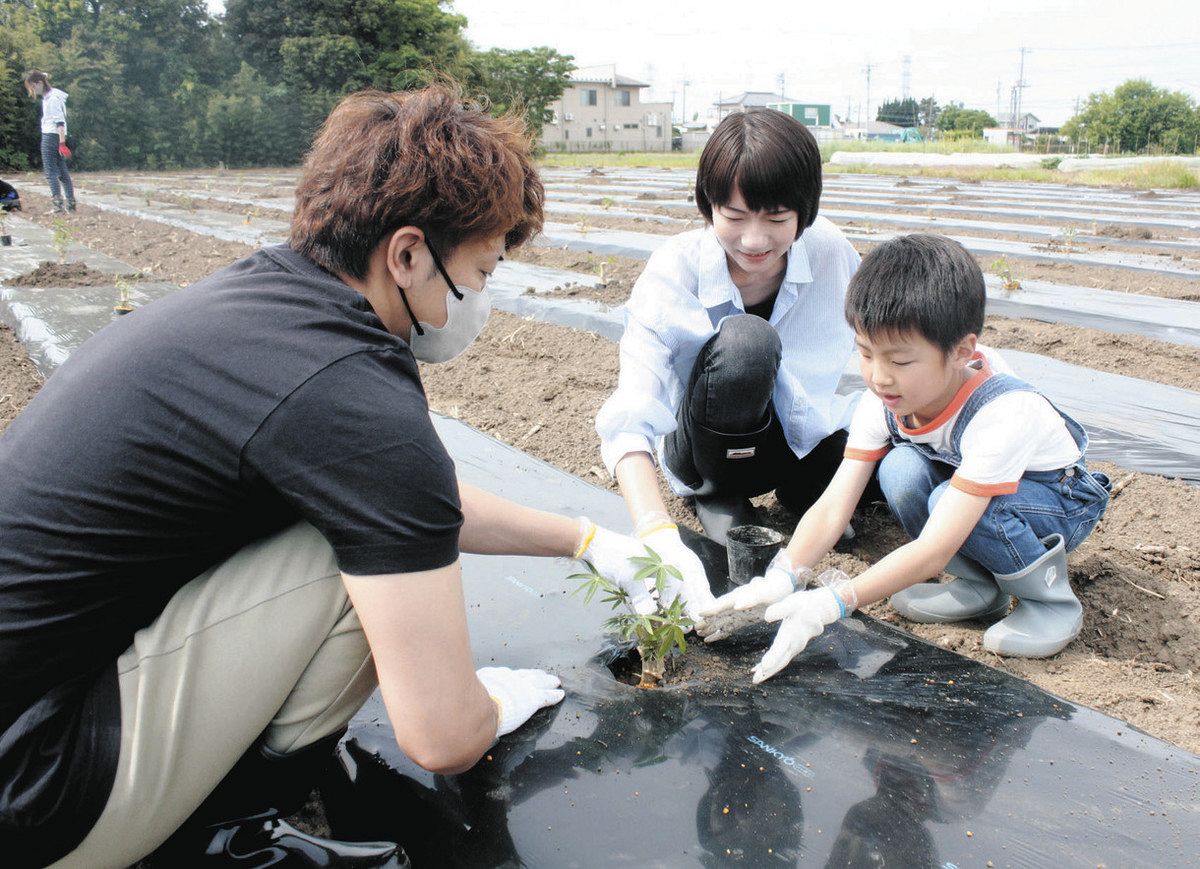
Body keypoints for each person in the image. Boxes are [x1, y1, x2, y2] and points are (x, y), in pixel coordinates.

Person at [0, 85, 663, 868]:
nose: (482, 297)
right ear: (409, 253)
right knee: (346, 554)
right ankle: (229, 833)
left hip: (32, 715)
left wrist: (584, 538)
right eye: (481, 270)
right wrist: (487, 706)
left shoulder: (265, 303)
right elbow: (440, 737)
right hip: (40, 789)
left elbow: (419, 500)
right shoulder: (353, 396)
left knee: (350, 517)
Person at [701, 234, 1111, 682]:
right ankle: (980, 586)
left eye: (899, 360)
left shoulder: (1003, 414)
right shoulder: (883, 400)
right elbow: (837, 501)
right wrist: (784, 574)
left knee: (951, 506)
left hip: (1058, 501)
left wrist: (836, 600)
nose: (879, 377)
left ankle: (1048, 601)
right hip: (970, 489)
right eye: (865, 353)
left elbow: (935, 546)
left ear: (961, 352)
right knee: (899, 471)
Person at [594, 109, 861, 620]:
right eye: (734, 217)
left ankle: (806, 492)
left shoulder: (830, 251)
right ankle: (719, 496)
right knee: (746, 346)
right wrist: (653, 529)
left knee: (879, 450)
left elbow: (884, 340)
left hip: (789, 433)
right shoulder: (676, 268)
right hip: (707, 445)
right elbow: (633, 405)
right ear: (708, 206)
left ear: (805, 212)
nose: (755, 240)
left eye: (777, 219)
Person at [22, 71, 76, 214]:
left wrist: (62, 143)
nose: (33, 91)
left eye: (33, 87)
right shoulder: (53, 96)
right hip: (55, 137)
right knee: (62, 172)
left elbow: (59, 122)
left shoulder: (52, 99)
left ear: (39, 83)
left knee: (50, 171)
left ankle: (58, 206)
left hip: (51, 137)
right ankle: (71, 204)